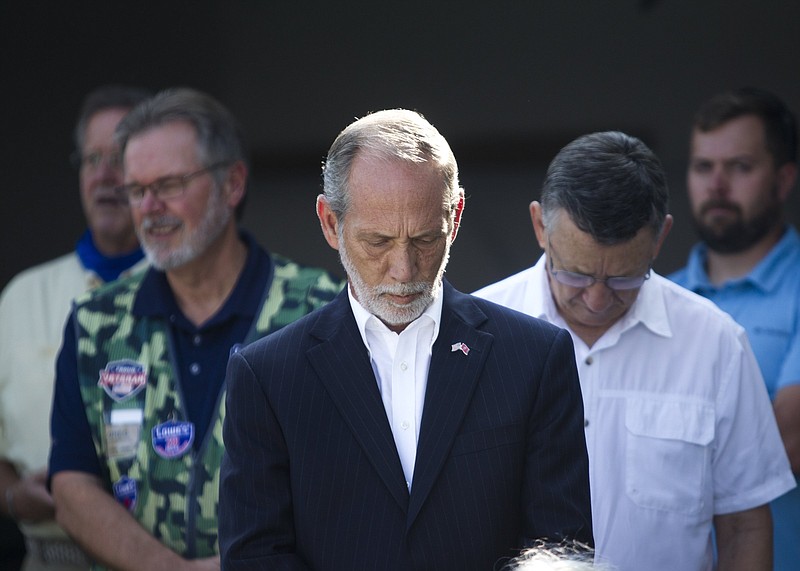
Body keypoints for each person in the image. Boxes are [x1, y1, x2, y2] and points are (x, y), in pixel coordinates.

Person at [218, 109, 593, 571]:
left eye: (425, 239)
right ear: (330, 224)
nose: (404, 269)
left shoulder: (535, 358)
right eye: (377, 242)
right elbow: (256, 557)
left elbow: (560, 548)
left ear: (454, 217)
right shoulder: (268, 377)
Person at [48, 88, 345, 571]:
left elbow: (351, 482)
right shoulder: (96, 323)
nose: (148, 207)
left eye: (168, 185)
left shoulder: (323, 311)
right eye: (136, 190)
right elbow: (72, 484)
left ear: (232, 184)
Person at [473, 130, 796, 571]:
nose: (598, 299)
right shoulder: (476, 334)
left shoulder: (715, 344)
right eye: (577, 275)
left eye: (625, 278)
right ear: (539, 227)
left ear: (660, 238)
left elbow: (744, 527)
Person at [0, 84, 151, 571]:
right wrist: (12, 498)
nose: (105, 176)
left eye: (121, 158)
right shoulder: (20, 297)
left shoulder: (192, 293)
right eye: (92, 160)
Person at [669, 87, 800, 571]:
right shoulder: (654, 296)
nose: (717, 184)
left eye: (740, 167)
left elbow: (786, 440)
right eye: (704, 167)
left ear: (783, 180)